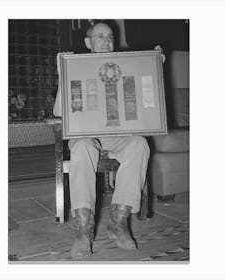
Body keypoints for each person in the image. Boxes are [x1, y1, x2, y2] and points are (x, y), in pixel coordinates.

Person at [53, 20, 161, 260]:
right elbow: (60, 113)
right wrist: (63, 74)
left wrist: (153, 69)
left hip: (118, 134)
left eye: (110, 36)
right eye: (100, 36)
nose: (106, 41)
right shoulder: (76, 66)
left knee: (139, 144)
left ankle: (118, 222)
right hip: (86, 135)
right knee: (82, 147)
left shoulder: (126, 66)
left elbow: (148, 104)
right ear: (88, 43)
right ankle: (84, 229)